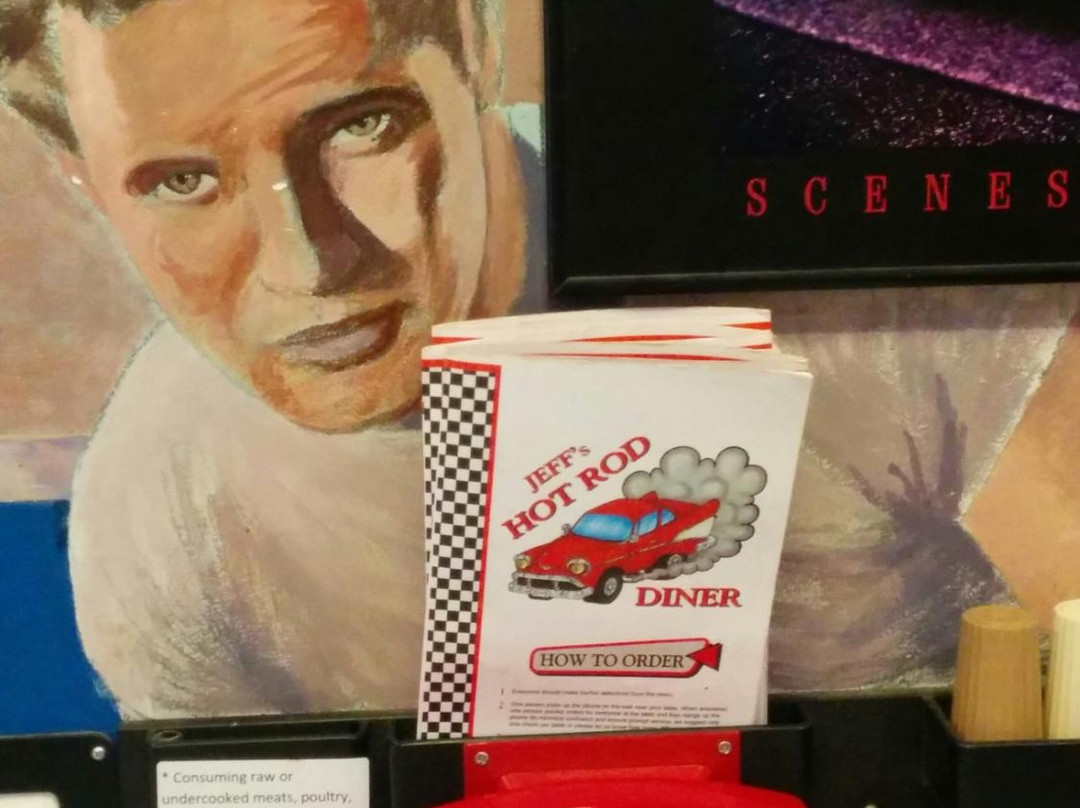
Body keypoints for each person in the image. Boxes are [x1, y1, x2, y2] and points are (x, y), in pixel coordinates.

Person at [0, 0, 542, 717]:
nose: (307, 266)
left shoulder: (680, 272)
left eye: (361, 126)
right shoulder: (155, 520)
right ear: (85, 181)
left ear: (476, 49)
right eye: (181, 182)